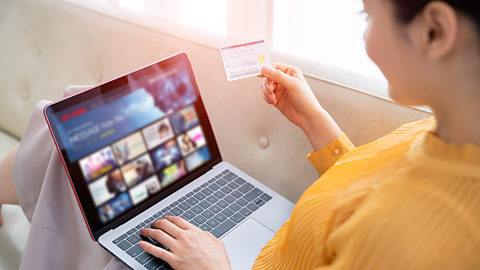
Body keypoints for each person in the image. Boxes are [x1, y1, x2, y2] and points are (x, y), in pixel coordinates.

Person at [1, 0, 479, 269]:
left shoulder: (425, 239)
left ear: (435, 30)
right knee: (75, 124)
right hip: (253, 243)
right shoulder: (447, 132)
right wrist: (314, 120)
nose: (365, 35)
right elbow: (370, 193)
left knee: (69, 141)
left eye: (367, 16)